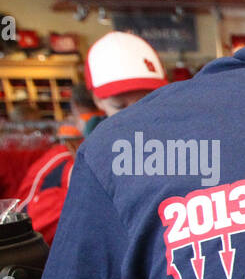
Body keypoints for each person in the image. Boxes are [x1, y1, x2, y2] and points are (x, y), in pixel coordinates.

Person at [18, 31, 166, 245]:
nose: (135, 118)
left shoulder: (183, 151)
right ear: (97, 100)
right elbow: (28, 229)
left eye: (147, 102)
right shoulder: (66, 161)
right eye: (120, 106)